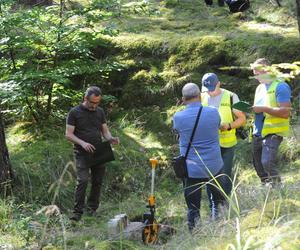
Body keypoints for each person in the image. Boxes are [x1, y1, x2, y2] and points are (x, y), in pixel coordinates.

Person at [173, 83, 224, 231]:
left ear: (183, 99)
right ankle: (220, 228)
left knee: (193, 207)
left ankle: (195, 234)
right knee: (217, 201)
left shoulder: (178, 117)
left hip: (191, 169)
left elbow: (177, 131)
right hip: (214, 166)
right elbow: (217, 126)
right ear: (200, 96)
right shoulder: (214, 112)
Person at [66, 86, 120, 221]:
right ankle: (77, 213)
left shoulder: (100, 112)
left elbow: (105, 131)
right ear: (85, 99)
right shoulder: (74, 112)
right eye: (92, 102)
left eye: (97, 102)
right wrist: (82, 143)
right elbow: (68, 135)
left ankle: (91, 210)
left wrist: (111, 138)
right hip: (82, 152)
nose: (94, 105)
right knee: (83, 181)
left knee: (97, 181)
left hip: (99, 151)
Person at [201, 73, 246, 201]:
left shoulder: (232, 96)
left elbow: (242, 119)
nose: (209, 92)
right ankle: (213, 208)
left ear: (219, 84)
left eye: (212, 89)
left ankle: (225, 205)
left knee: (225, 176)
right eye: (206, 90)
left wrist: (229, 125)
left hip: (227, 145)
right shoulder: (201, 97)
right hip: (209, 145)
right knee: (210, 177)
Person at [250, 58, 291, 187]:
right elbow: (259, 109)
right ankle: (267, 189)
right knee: (258, 165)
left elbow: (285, 112)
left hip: (273, 131)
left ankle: (278, 187)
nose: (256, 77)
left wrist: (263, 109)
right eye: (254, 74)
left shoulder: (281, 86)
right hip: (258, 131)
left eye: (258, 73)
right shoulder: (259, 88)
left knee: (267, 162)